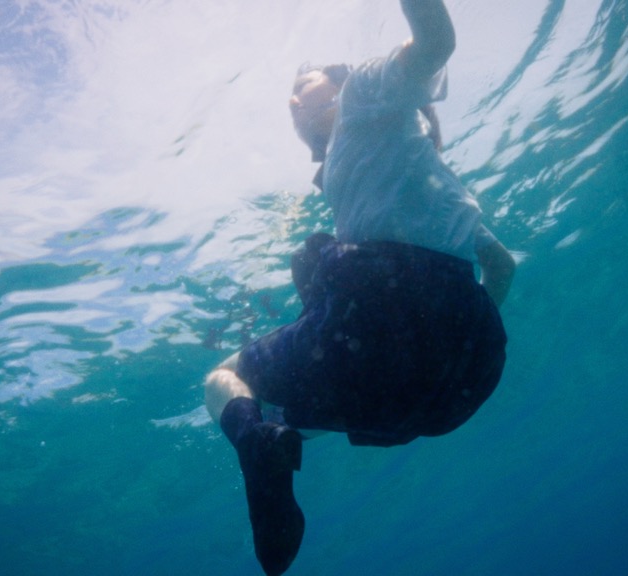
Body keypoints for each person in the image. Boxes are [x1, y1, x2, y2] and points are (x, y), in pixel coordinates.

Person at [205, 1, 516, 574]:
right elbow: (502, 269)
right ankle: (276, 436)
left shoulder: (365, 89)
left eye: (305, 83)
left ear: (342, 81)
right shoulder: (426, 183)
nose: (294, 100)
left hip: (377, 338)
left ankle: (259, 448)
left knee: (224, 380)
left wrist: (400, 318)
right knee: (286, 404)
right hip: (460, 378)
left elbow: (436, 43)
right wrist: (454, 332)